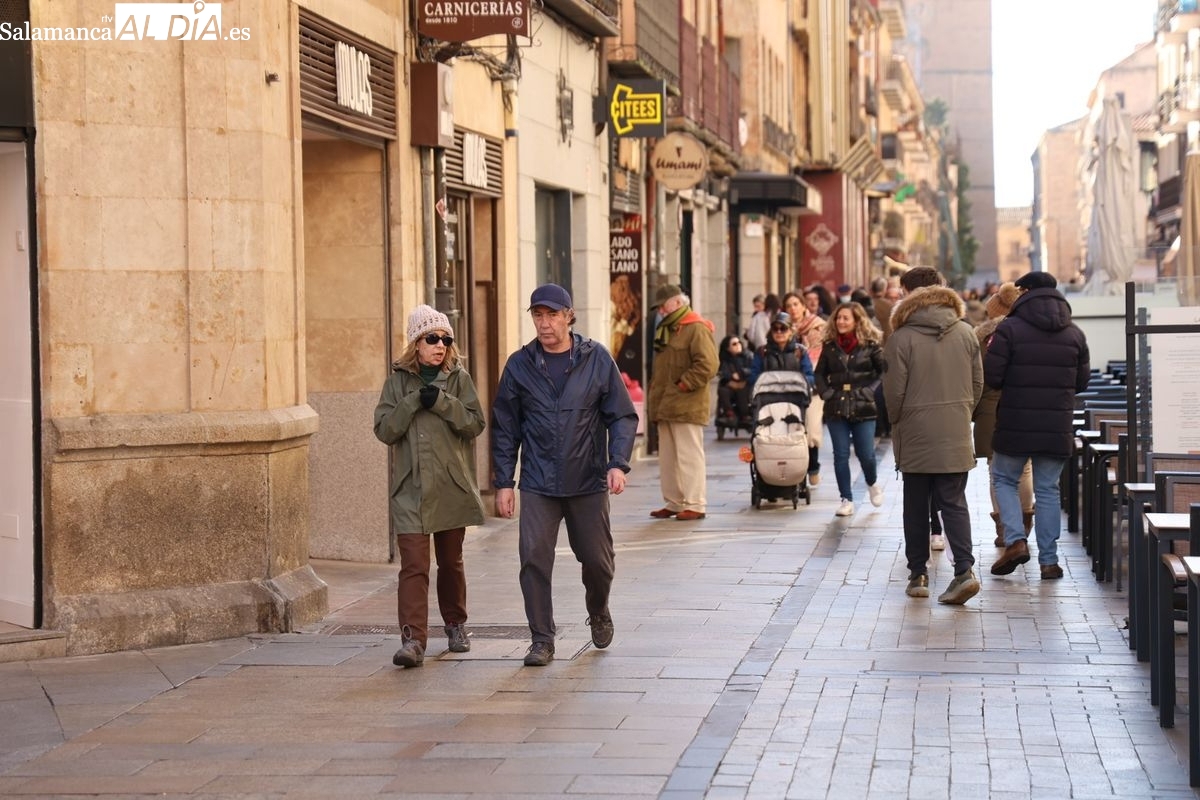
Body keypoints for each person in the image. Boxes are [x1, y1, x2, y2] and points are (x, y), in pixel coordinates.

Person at [491, 284, 638, 667]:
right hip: (539, 481)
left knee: (598, 561)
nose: (544, 323)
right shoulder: (519, 366)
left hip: (587, 479)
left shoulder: (596, 359)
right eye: (537, 315)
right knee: (534, 559)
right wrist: (504, 482)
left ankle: (599, 608)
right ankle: (542, 639)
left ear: (569, 316)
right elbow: (506, 427)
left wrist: (616, 462)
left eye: (552, 315)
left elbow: (621, 415)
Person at [373, 304, 487, 669]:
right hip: (411, 490)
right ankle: (413, 641)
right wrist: (410, 403)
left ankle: (455, 625)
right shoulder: (396, 383)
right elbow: (385, 430)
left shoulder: (458, 379)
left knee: (451, 563)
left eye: (445, 339)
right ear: (416, 343)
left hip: (451, 486)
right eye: (432, 338)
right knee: (414, 565)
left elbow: (474, 424)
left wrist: (440, 402)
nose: (440, 345)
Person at [883, 266, 983, 605]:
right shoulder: (966, 332)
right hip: (954, 427)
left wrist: (897, 421)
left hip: (915, 431)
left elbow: (893, 393)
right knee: (954, 502)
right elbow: (978, 384)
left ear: (909, 293)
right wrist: (961, 413)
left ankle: (918, 575)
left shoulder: (901, 337)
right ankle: (965, 571)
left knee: (915, 503)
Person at [986, 271, 1090, 580]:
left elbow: (993, 376)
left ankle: (1016, 540)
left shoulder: (1009, 330)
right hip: (1056, 424)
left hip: (1015, 422)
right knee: (1047, 490)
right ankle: (1049, 560)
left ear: (1025, 291)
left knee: (1004, 478)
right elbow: (1081, 382)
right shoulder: (1074, 333)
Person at [648, 284, 719, 521]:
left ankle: (695, 503)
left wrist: (684, 384)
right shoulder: (668, 330)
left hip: (687, 404)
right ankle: (675, 501)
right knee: (668, 458)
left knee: (689, 455)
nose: (660, 310)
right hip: (666, 404)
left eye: (663, 305)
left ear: (677, 303)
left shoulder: (696, 328)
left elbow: (708, 365)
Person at [972, 282, 1035, 548]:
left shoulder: (982, 340)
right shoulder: (1029, 333)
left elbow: (977, 380)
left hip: (990, 410)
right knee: (1025, 468)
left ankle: (1004, 528)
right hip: (1023, 407)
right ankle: (1024, 520)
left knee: (995, 471)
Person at [813, 302, 885, 517]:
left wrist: (869, 391)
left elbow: (884, 372)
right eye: (838, 318)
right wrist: (826, 393)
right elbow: (819, 374)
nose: (841, 322)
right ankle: (846, 498)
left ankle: (872, 483)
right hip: (836, 406)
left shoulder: (870, 345)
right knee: (841, 455)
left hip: (863, 405)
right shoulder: (830, 346)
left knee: (866, 455)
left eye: (846, 318)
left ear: (857, 320)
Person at [782, 292, 826, 485]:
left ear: (803, 306)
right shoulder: (782, 327)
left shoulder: (816, 326)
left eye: (796, 304)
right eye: (789, 305)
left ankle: (813, 467)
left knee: (812, 426)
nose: (793, 308)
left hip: (812, 383)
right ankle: (796, 470)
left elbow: (819, 354)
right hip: (789, 384)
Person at [717, 334, 753, 426]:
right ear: (728, 348)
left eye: (739, 343)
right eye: (734, 344)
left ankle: (745, 414)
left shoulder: (748, 356)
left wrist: (742, 374)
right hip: (731, 385)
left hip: (745, 384)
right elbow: (722, 372)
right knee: (723, 390)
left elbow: (752, 370)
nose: (738, 345)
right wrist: (730, 377)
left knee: (743, 391)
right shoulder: (725, 359)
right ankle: (729, 413)